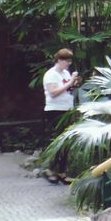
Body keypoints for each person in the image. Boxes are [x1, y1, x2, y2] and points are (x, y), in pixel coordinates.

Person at [42, 49, 82, 180]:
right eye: (67, 61)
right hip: (55, 110)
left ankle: (62, 171)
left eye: (70, 61)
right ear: (59, 60)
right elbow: (53, 92)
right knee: (57, 140)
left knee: (66, 141)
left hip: (67, 109)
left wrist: (74, 83)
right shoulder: (51, 74)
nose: (68, 64)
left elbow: (67, 89)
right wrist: (70, 82)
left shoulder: (65, 73)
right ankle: (50, 169)